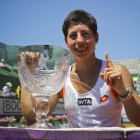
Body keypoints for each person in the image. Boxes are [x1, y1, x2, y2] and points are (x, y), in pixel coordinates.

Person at [21, 9, 140, 127]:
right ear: (66, 42)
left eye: (85, 34)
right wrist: (27, 72)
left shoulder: (116, 72)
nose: (79, 40)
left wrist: (123, 92)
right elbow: (32, 120)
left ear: (96, 38)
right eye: (73, 35)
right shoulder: (61, 77)